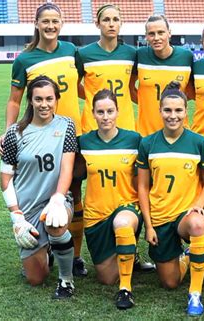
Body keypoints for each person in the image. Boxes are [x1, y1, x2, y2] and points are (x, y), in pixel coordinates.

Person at [0, 2, 87, 276]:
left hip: (73, 135)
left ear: (62, 24)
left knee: (74, 195)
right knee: (43, 189)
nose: (50, 26)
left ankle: (75, 257)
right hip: (41, 138)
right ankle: (44, 243)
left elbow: (81, 87)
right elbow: (15, 100)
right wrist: (9, 132)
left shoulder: (73, 52)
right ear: (36, 24)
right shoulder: (24, 59)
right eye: (45, 21)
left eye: (55, 21)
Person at [136, 82, 204, 316]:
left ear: (185, 111)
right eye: (167, 110)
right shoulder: (148, 143)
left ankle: (195, 293)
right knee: (169, 282)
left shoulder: (198, 142)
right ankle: (188, 257)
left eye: (178, 110)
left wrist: (197, 207)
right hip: (160, 217)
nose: (173, 115)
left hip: (185, 215)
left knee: (198, 224)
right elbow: (142, 187)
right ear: (160, 111)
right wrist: (148, 226)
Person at [0, 75, 77, 298]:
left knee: (56, 222)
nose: (44, 104)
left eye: (49, 99)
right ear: (30, 101)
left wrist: (57, 199)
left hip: (57, 198)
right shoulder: (15, 134)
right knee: (36, 279)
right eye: (39, 99)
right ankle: (49, 250)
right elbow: (5, 179)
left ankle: (66, 280)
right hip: (27, 209)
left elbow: (67, 169)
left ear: (56, 100)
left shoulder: (66, 125)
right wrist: (16, 216)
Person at [76, 89, 142, 309]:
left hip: (126, 209)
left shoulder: (134, 139)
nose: (106, 117)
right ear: (93, 114)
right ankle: (129, 252)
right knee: (106, 278)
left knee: (122, 223)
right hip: (96, 216)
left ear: (118, 112)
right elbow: (71, 173)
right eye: (100, 112)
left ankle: (125, 289)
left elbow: (143, 179)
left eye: (110, 111)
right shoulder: (83, 142)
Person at [77, 4, 137, 133]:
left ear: (121, 23)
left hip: (125, 123)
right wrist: (91, 97)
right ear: (97, 24)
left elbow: (132, 88)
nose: (111, 24)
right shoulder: (84, 54)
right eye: (106, 20)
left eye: (115, 19)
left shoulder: (131, 54)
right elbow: (75, 86)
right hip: (93, 124)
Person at [136, 15, 194, 137]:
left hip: (179, 133)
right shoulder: (140, 55)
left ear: (169, 33)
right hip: (146, 133)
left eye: (161, 32)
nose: (156, 38)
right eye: (151, 34)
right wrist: (147, 103)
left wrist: (174, 99)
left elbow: (193, 92)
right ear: (146, 36)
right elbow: (130, 87)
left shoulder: (186, 57)